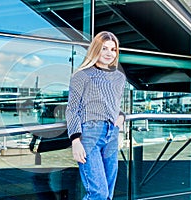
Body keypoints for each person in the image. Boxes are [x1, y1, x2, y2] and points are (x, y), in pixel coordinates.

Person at [65, 31, 126, 200]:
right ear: (95, 49)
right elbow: (72, 109)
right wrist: (75, 140)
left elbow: (115, 107)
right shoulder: (82, 75)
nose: (109, 53)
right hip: (89, 134)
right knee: (98, 193)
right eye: (104, 48)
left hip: (111, 134)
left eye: (113, 49)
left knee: (108, 193)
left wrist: (121, 119)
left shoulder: (119, 78)